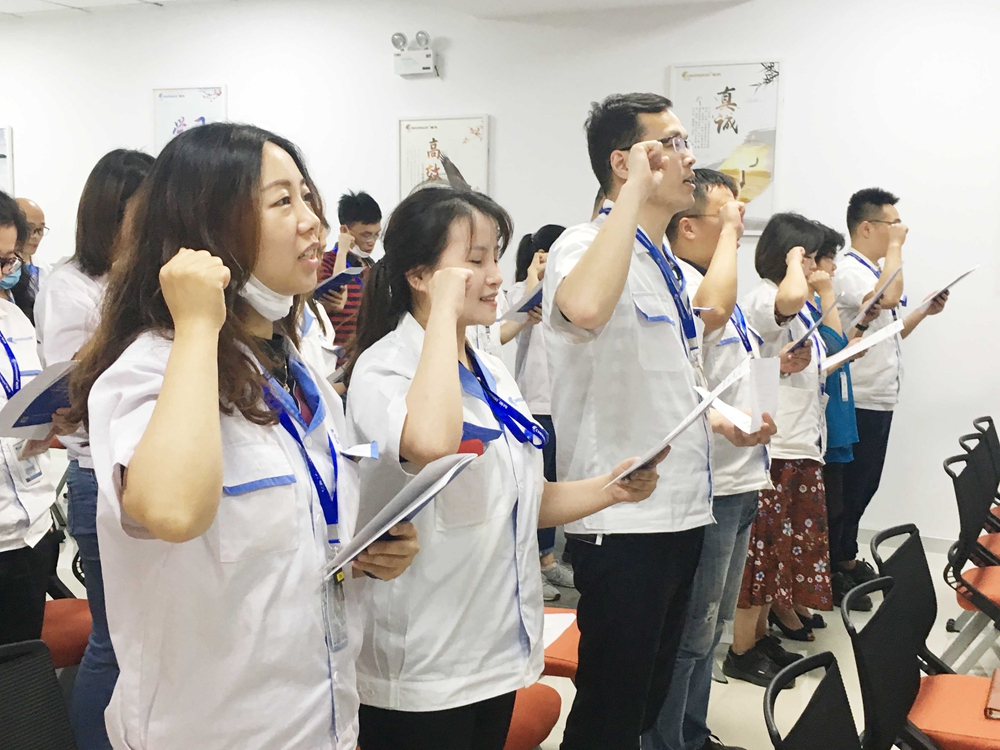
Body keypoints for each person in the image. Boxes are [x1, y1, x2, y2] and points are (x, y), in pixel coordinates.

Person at [66, 123, 419, 750]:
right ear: (208, 227)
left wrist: (364, 555)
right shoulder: (153, 368)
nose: (312, 221)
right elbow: (174, 510)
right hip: (213, 731)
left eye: (307, 196)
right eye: (282, 201)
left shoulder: (296, 369)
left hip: (321, 717)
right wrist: (198, 323)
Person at [345, 186, 666, 750]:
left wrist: (611, 489)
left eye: (495, 256)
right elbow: (431, 442)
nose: (496, 276)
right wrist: (445, 313)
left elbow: (522, 498)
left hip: (493, 654)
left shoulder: (492, 372)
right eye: (475, 261)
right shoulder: (386, 370)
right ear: (420, 276)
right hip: (423, 669)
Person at [541, 93, 775, 750]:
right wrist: (633, 196)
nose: (689, 157)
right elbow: (585, 309)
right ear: (626, 162)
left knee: (645, 703)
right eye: (670, 144)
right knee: (610, 710)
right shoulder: (581, 246)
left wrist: (725, 421)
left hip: (682, 511)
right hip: (623, 522)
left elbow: (682, 375)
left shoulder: (666, 264)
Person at [649, 170, 810, 750]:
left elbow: (740, 367)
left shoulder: (722, 289)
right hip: (712, 483)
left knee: (711, 625)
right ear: (688, 227)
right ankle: (671, 740)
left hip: (742, 475)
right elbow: (688, 382)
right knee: (694, 631)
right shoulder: (690, 290)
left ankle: (693, 732)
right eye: (727, 217)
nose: (739, 225)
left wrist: (767, 395)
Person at [36, 147, 154, 750]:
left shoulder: (143, 276)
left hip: (145, 466)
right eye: (142, 209)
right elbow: (72, 383)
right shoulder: (71, 284)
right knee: (112, 642)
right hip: (96, 471)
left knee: (148, 642)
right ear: (112, 213)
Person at [729, 213, 843, 684]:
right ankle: (741, 649)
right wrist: (797, 262)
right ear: (788, 256)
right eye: (808, 256)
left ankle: (758, 637)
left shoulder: (796, 305)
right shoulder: (764, 297)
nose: (814, 266)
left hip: (797, 443)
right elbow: (786, 306)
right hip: (775, 447)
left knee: (778, 553)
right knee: (761, 553)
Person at [830, 188, 949, 601]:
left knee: (864, 485)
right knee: (848, 489)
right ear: (867, 227)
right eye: (893, 224)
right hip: (858, 397)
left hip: (879, 395)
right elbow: (889, 297)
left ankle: (844, 558)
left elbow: (890, 328)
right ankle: (835, 565)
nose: (902, 230)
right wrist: (897, 247)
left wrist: (923, 311)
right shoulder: (850, 271)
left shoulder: (874, 272)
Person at [0, 189, 60, 647]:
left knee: (21, 666)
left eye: (7, 261)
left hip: (33, 528)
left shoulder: (16, 320)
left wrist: (50, 423)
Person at [508, 224, 571, 602]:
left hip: (562, 403)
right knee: (535, 488)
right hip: (533, 405)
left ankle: (548, 559)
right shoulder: (521, 291)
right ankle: (531, 566)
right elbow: (512, 319)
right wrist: (534, 275)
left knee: (553, 485)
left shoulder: (567, 291)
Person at [317, 191, 382, 346]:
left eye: (376, 235)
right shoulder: (324, 263)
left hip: (364, 353)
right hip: (336, 355)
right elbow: (337, 303)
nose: (371, 242)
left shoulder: (371, 268)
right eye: (366, 235)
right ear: (344, 231)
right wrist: (342, 252)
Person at [14, 197, 51, 322]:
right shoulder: (7, 274)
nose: (36, 236)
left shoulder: (48, 271)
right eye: (29, 228)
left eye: (40, 230)